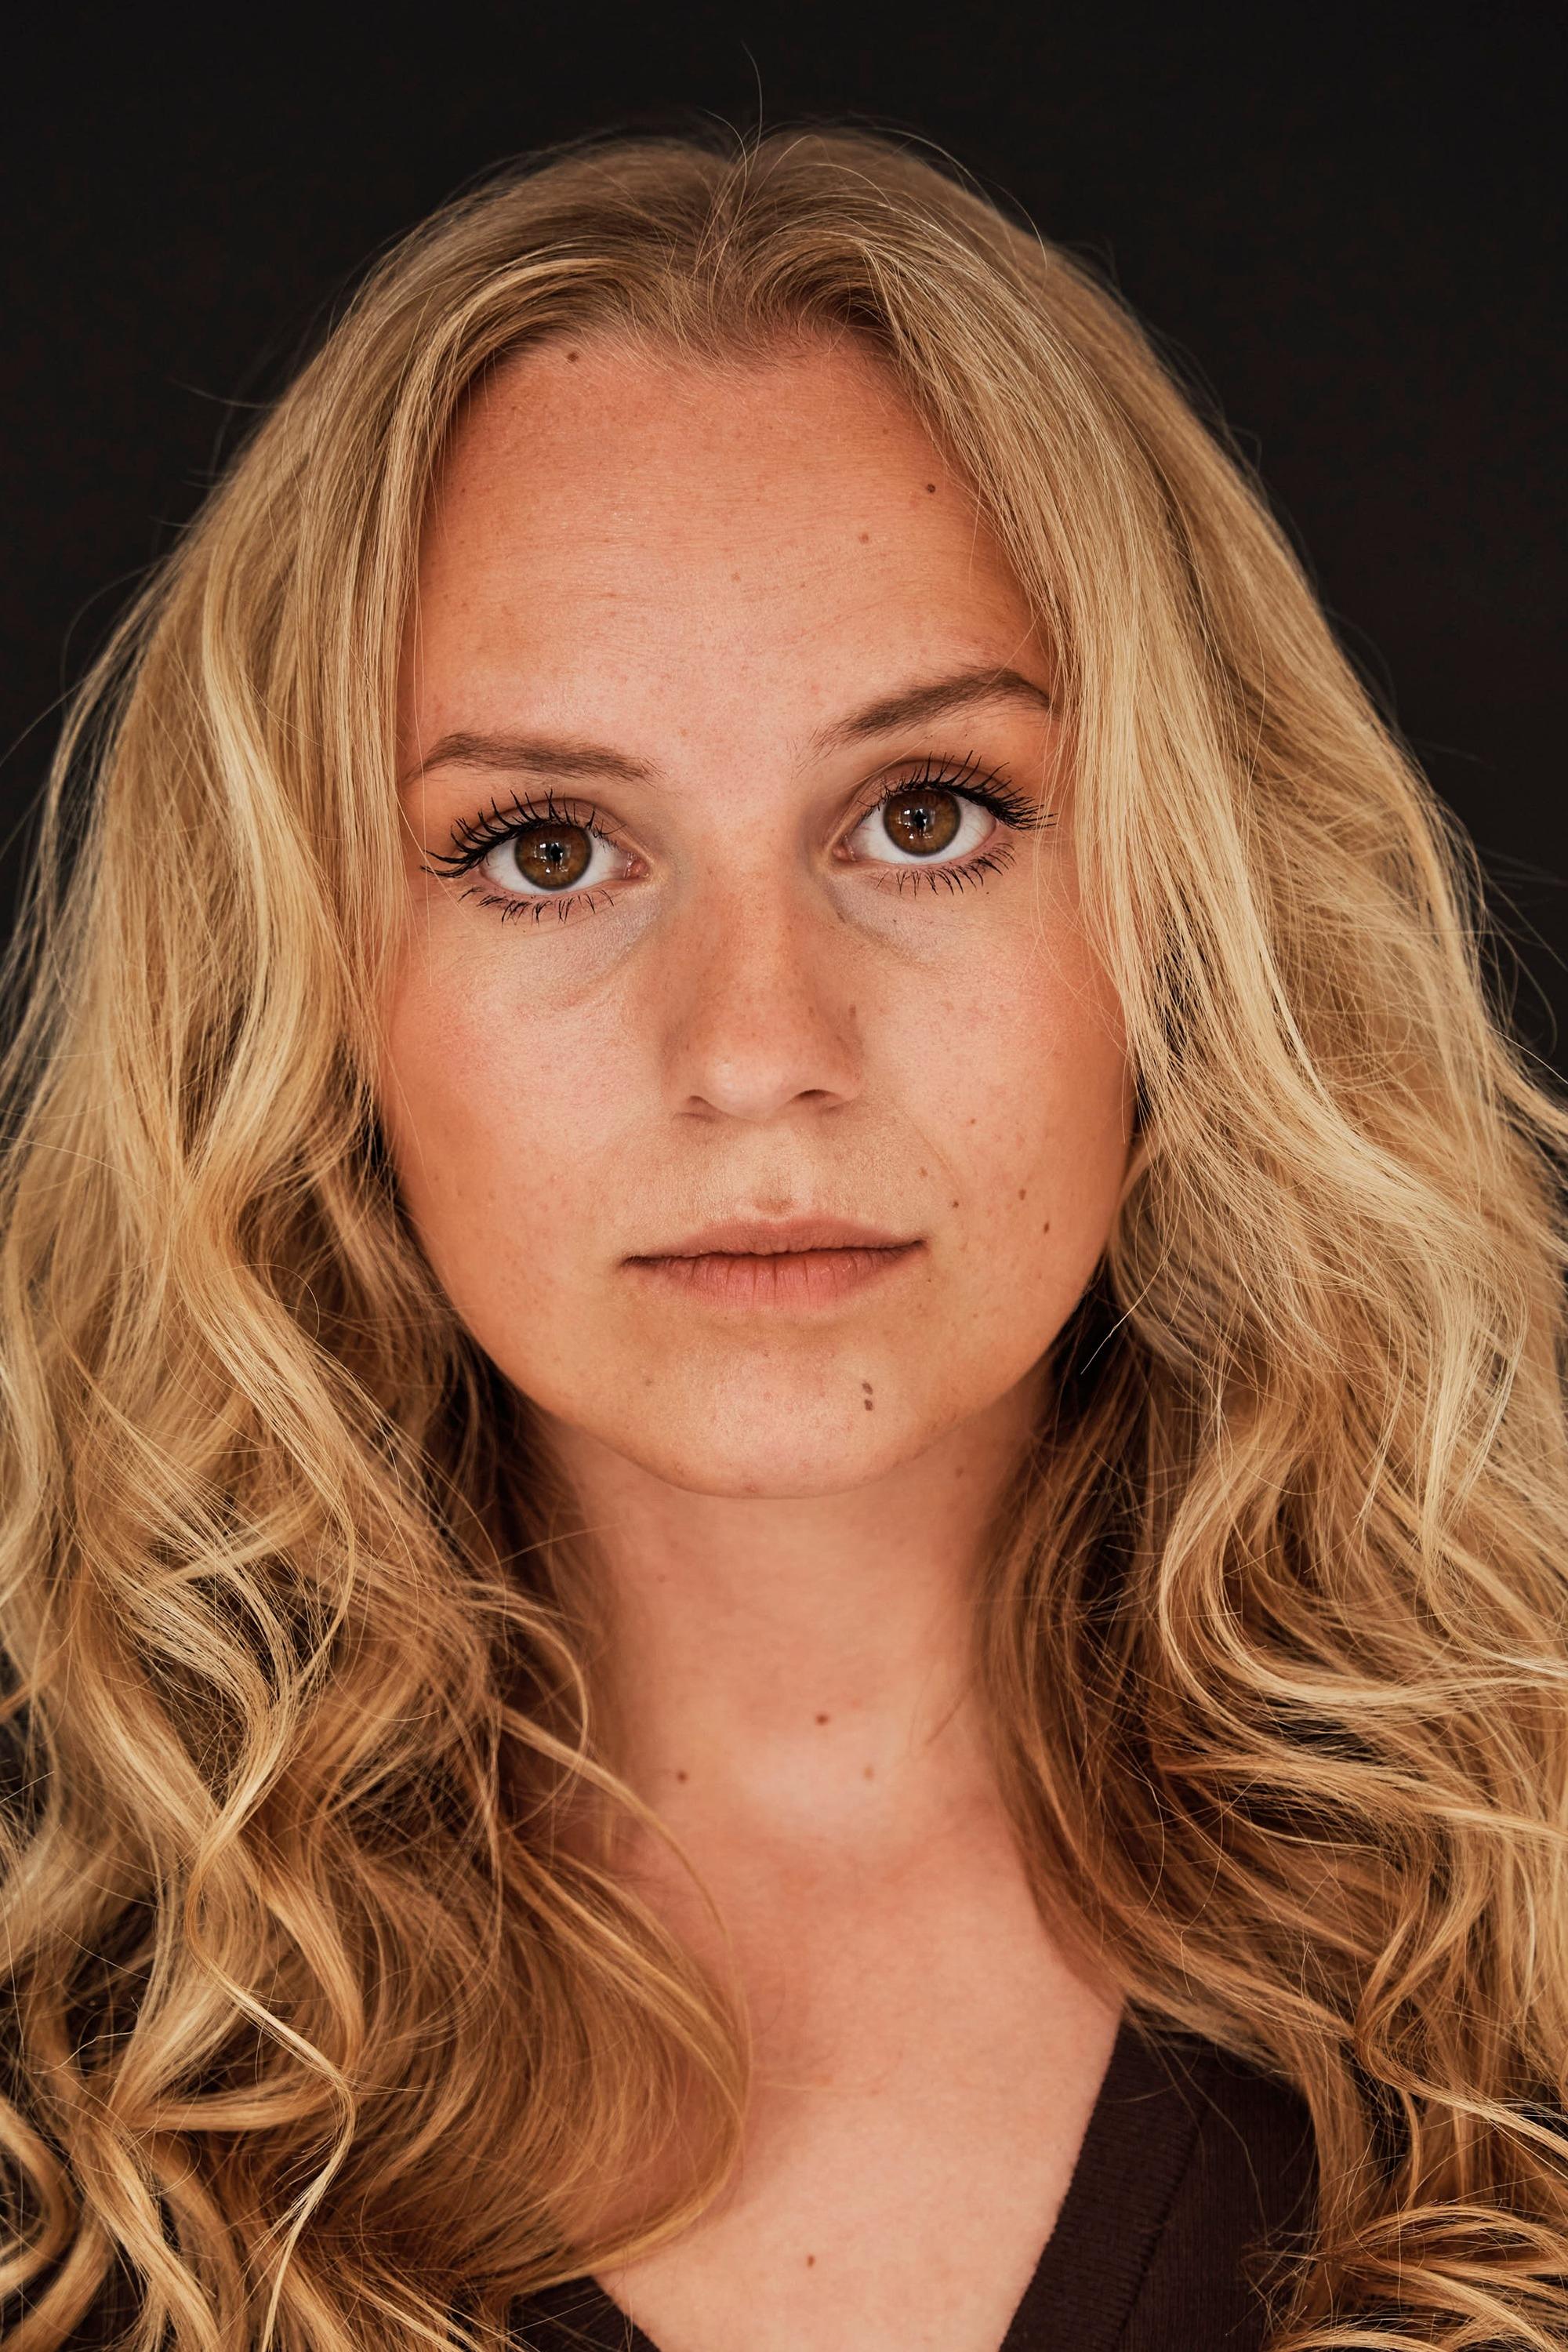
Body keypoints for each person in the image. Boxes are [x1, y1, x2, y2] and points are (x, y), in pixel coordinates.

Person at [1, 122, 1565, 2352]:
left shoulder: (1531, 1952)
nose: (757, 1051)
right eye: (546, 848)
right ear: (305, 983)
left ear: (1195, 919)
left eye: (927, 819)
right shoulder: (65, 2062)